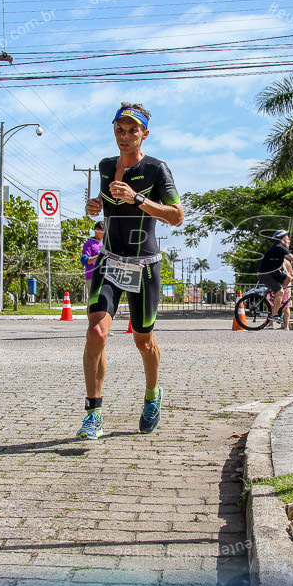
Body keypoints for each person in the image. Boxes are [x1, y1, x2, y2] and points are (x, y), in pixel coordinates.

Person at [79, 103, 184, 441]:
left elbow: (177, 216)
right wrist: (94, 205)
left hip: (145, 266)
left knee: (143, 341)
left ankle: (153, 395)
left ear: (144, 134)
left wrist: (138, 198)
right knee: (96, 332)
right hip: (109, 261)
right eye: (119, 130)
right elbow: (106, 202)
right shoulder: (106, 165)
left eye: (132, 130)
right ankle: (94, 412)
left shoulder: (157, 169)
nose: (124, 136)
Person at [267, 258, 293, 329]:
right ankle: (286, 326)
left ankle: (270, 324)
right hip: (287, 284)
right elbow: (292, 274)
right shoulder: (288, 263)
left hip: (277, 285)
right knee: (286, 306)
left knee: (271, 304)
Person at [80, 221, 104, 304]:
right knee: (92, 302)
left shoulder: (105, 243)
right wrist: (100, 256)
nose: (104, 234)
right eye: (102, 232)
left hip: (104, 276)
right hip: (92, 277)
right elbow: (84, 261)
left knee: (102, 301)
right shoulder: (88, 244)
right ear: (96, 230)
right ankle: (90, 317)